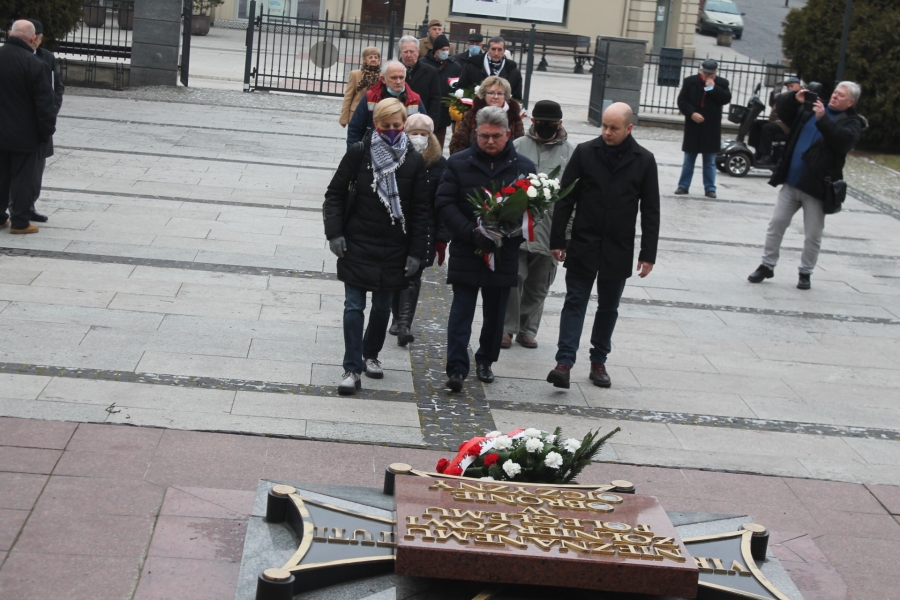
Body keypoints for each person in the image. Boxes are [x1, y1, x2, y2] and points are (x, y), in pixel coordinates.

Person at [546, 103, 659, 390]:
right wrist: (557, 240)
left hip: (618, 246)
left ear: (629, 128)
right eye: (604, 126)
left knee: (609, 306)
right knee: (575, 301)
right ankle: (564, 362)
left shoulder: (644, 160)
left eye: (614, 128)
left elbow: (651, 210)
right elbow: (565, 198)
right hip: (584, 241)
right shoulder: (585, 152)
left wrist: (648, 254)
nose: (607, 132)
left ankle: (598, 360)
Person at [324, 99, 429, 395]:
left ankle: (371, 354)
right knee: (353, 306)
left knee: (382, 307)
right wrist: (334, 233)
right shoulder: (360, 152)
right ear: (376, 124)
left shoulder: (413, 160)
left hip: (395, 246)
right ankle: (351, 368)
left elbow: (421, 211)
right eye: (386, 125)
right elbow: (334, 194)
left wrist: (416, 253)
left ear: (404, 124)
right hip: (357, 242)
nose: (392, 130)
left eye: (397, 125)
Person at [436, 106, 537, 392]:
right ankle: (456, 368)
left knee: (496, 313)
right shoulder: (458, 163)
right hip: (467, 249)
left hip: (504, 252)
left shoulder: (524, 167)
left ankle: (486, 361)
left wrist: (507, 234)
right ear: (475, 134)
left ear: (508, 134)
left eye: (496, 136)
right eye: (484, 136)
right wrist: (471, 232)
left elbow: (533, 210)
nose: (490, 141)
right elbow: (444, 203)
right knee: (461, 312)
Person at [747, 82, 865, 290]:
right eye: (835, 92)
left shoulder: (852, 122)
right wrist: (794, 99)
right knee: (776, 224)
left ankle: (805, 272)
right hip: (791, 182)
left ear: (850, 102)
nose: (835, 96)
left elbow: (843, 142)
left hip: (816, 188)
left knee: (812, 234)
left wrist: (823, 119)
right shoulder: (812, 107)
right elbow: (784, 114)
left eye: (841, 95)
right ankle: (767, 265)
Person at [502, 100, 575, 350]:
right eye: (541, 123)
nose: (546, 127)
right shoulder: (518, 146)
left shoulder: (571, 153)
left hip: (550, 230)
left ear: (560, 124)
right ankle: (507, 327)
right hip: (518, 227)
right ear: (532, 121)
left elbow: (574, 196)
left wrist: (566, 234)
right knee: (514, 277)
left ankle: (528, 329)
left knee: (539, 284)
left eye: (551, 124)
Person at [388, 114, 450, 345]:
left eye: (423, 134)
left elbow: (443, 202)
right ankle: (397, 317)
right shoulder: (394, 158)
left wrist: (442, 237)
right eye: (414, 133)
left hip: (425, 228)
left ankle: (404, 324)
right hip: (397, 226)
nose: (419, 138)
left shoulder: (439, 164)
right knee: (397, 274)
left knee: (413, 276)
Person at [0, 20, 56, 235]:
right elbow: (44, 104)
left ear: (10, 33)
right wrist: (46, 132)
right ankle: (20, 221)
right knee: (23, 178)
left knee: (1, 175)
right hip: (25, 133)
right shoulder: (34, 64)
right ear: (33, 38)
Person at [674, 58, 731, 199]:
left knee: (709, 161)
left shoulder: (722, 83)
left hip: (711, 127)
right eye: (705, 73)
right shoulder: (690, 82)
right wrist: (691, 113)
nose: (708, 76)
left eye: (711, 74)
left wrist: (713, 88)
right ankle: (683, 186)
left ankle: (710, 188)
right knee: (689, 160)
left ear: (716, 73)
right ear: (701, 71)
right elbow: (682, 100)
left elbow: (725, 99)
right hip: (693, 126)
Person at [27, 19, 64, 224]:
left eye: (39, 38)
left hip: (41, 121)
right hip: (19, 121)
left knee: (36, 168)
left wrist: (52, 108)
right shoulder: (14, 56)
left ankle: (29, 205)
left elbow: (57, 86)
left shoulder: (47, 57)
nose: (36, 41)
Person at [346, 60, 425, 147]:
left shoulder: (415, 100)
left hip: (405, 150)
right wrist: (353, 152)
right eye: (394, 78)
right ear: (383, 79)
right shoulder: (370, 97)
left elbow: (424, 129)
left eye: (401, 77)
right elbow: (355, 129)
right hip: (373, 149)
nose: (398, 81)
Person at [448, 76, 524, 155]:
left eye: (500, 93)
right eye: (491, 93)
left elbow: (520, 145)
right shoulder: (471, 115)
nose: (495, 97)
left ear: (505, 96)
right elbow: (457, 144)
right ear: (484, 94)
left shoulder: (514, 117)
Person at [420, 34, 462, 149]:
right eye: (442, 50)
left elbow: (458, 86)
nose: (445, 52)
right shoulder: (423, 63)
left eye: (447, 49)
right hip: (426, 108)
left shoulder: (454, 66)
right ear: (435, 50)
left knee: (438, 146)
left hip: (443, 112)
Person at [756, 76, 802, 168]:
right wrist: (774, 93)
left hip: (787, 124)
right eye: (788, 86)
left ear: (799, 86)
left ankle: (767, 156)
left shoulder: (799, 96)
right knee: (757, 124)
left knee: (767, 128)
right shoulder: (785, 95)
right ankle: (759, 153)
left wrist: (782, 97)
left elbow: (791, 107)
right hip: (777, 121)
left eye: (792, 86)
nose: (789, 88)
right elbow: (772, 104)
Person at [458, 36, 523, 100]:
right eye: (493, 49)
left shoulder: (513, 70)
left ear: (504, 50)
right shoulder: (472, 65)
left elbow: (516, 98)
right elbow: (462, 88)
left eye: (500, 49)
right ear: (488, 49)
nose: (496, 53)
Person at [398, 36, 441, 124]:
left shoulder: (430, 72)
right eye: (405, 52)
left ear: (418, 52)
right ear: (400, 52)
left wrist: (431, 122)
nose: (408, 55)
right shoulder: (392, 71)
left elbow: (435, 99)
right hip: (397, 121)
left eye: (412, 52)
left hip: (422, 122)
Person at [339, 47, 381, 129]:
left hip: (375, 114)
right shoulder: (355, 74)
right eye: (370, 57)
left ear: (379, 60)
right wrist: (344, 118)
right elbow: (348, 97)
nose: (373, 59)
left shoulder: (383, 75)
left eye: (376, 57)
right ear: (364, 59)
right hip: (356, 113)